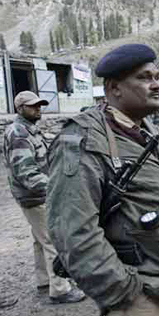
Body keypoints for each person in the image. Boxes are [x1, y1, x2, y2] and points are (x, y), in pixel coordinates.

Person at [46, 44, 159, 315]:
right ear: (114, 88)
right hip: (138, 297)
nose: (155, 85)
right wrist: (128, 297)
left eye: (156, 76)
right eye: (143, 78)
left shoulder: (145, 130)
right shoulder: (82, 139)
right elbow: (74, 235)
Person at [3, 91, 86, 304]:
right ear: (20, 109)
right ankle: (60, 289)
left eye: (40, 105)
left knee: (40, 240)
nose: (38, 108)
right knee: (51, 239)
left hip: (35, 195)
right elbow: (26, 173)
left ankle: (44, 280)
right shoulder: (20, 133)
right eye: (33, 106)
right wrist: (57, 187)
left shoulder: (29, 130)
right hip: (35, 196)